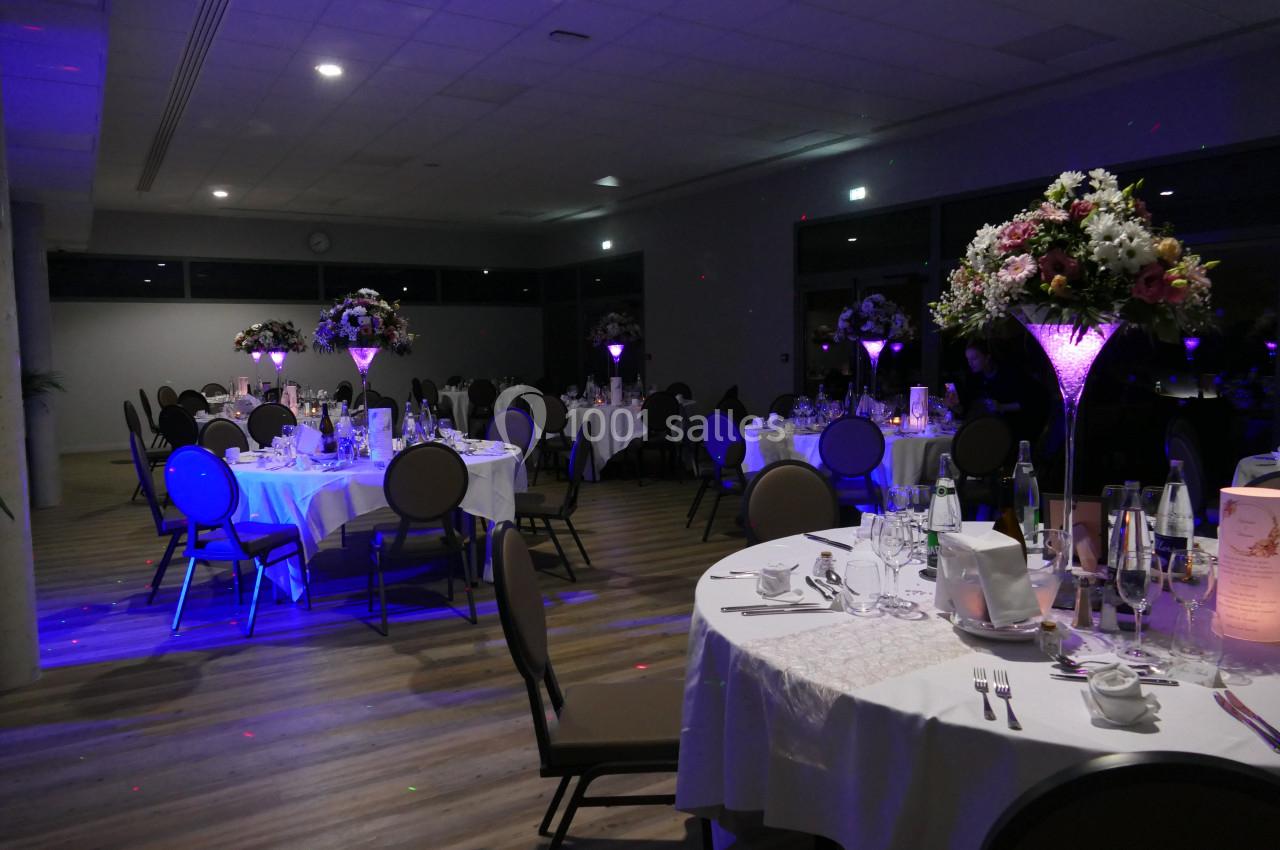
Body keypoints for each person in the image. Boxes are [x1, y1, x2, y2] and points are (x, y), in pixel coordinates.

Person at [944, 339, 1042, 439]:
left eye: (974, 359)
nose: (970, 363)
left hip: (1011, 429)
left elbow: (1029, 402)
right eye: (968, 359)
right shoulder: (974, 378)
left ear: (987, 358)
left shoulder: (1009, 375)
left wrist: (1001, 407)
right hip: (983, 428)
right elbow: (966, 409)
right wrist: (955, 406)